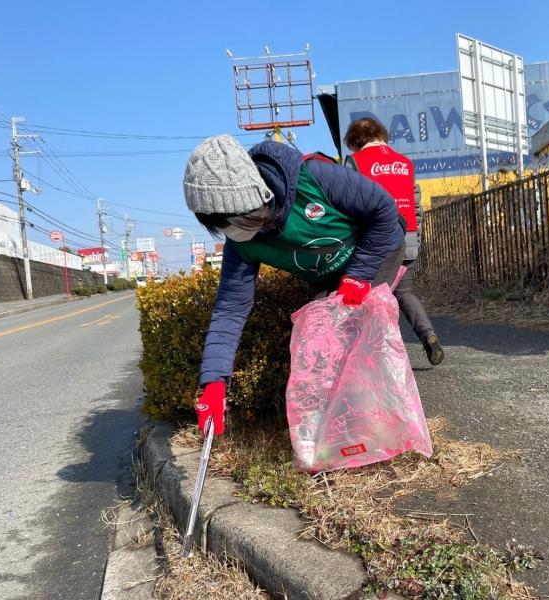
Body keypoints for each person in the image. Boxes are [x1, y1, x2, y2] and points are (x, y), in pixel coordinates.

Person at [183, 135, 406, 436]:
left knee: (359, 333)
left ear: (255, 197)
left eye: (238, 220)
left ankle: (387, 423)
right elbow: (230, 310)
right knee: (322, 343)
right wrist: (214, 383)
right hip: (333, 277)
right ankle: (346, 429)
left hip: (377, 253)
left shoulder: (313, 178)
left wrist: (360, 274)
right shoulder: (241, 244)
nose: (233, 231)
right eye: (222, 226)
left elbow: (383, 209)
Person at [343, 117, 445, 365]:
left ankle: (382, 357)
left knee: (372, 298)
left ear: (355, 142)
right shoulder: (405, 164)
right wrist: (415, 238)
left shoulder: (354, 163)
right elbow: (416, 205)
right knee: (404, 292)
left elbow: (346, 207)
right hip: (407, 236)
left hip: (374, 242)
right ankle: (428, 335)